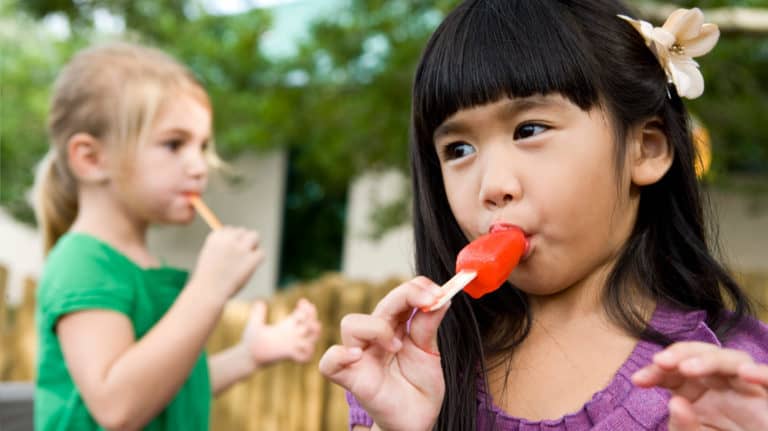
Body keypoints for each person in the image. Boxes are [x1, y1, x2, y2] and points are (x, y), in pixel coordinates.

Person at [318, 1, 768, 430]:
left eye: (529, 130)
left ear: (645, 149)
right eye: (458, 150)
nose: (492, 186)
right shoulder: (413, 369)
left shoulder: (735, 377)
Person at [33, 42, 322, 431]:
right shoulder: (83, 263)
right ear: (91, 158)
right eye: (174, 144)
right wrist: (209, 289)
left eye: (201, 146)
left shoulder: (143, 264)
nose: (200, 166)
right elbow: (117, 406)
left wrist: (248, 355)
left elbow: (168, 388)